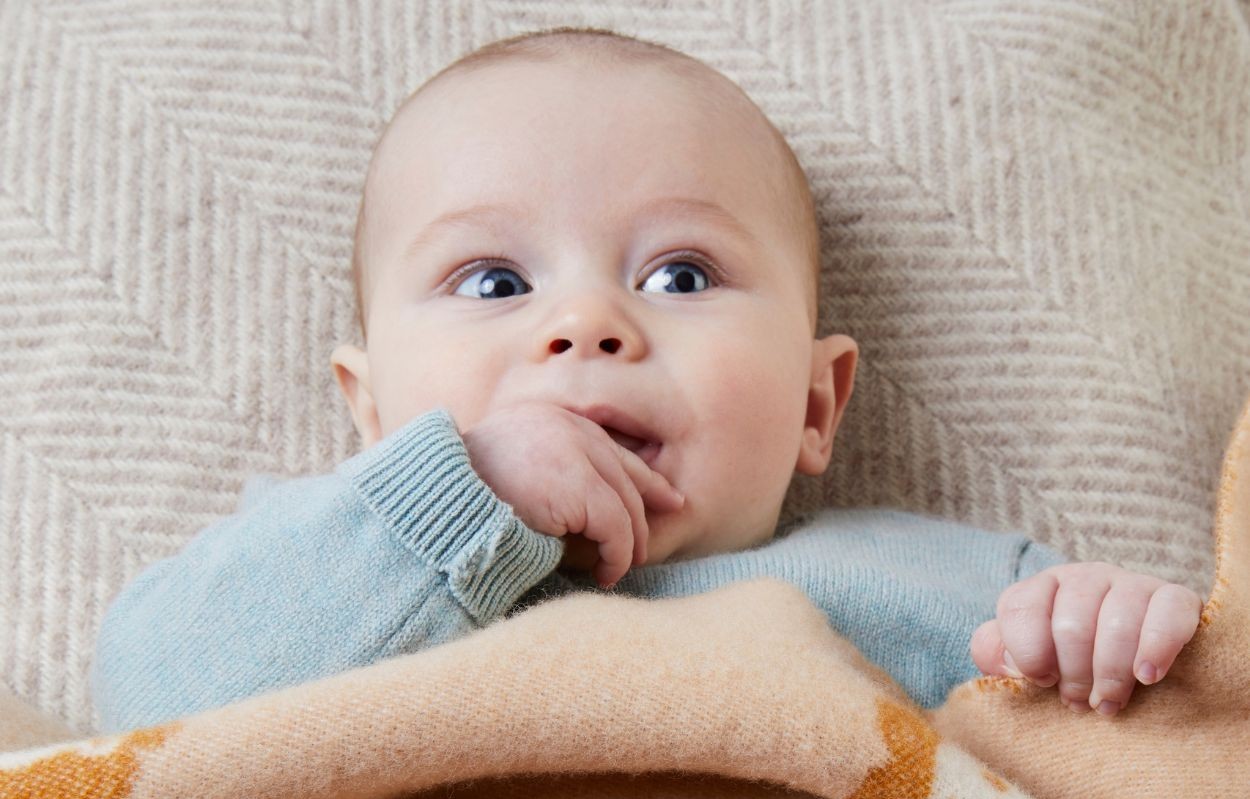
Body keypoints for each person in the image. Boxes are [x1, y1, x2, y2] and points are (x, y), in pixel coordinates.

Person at [89, 26, 1204, 736]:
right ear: (373, 411)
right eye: (490, 283)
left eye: (679, 273)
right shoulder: (323, 572)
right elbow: (147, 706)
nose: (587, 323)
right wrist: (452, 496)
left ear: (815, 406)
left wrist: (1111, 636)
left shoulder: (927, 588)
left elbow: (1150, 779)